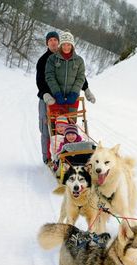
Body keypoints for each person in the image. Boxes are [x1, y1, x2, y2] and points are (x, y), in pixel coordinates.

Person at [36, 31, 95, 165]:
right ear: (47, 43)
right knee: (49, 129)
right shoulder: (46, 59)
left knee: (69, 127)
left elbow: (78, 76)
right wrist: (46, 93)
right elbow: (42, 79)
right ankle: (48, 158)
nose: (53, 42)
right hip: (48, 98)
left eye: (55, 40)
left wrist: (85, 89)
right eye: (50, 40)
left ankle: (72, 155)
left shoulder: (74, 59)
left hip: (68, 98)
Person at [45, 31, 86, 112]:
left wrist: (74, 92)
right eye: (64, 44)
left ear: (72, 46)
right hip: (56, 98)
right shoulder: (52, 59)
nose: (66, 47)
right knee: (58, 123)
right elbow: (50, 76)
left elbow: (81, 77)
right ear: (60, 45)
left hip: (73, 99)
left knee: (71, 123)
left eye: (69, 44)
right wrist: (57, 93)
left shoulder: (79, 60)